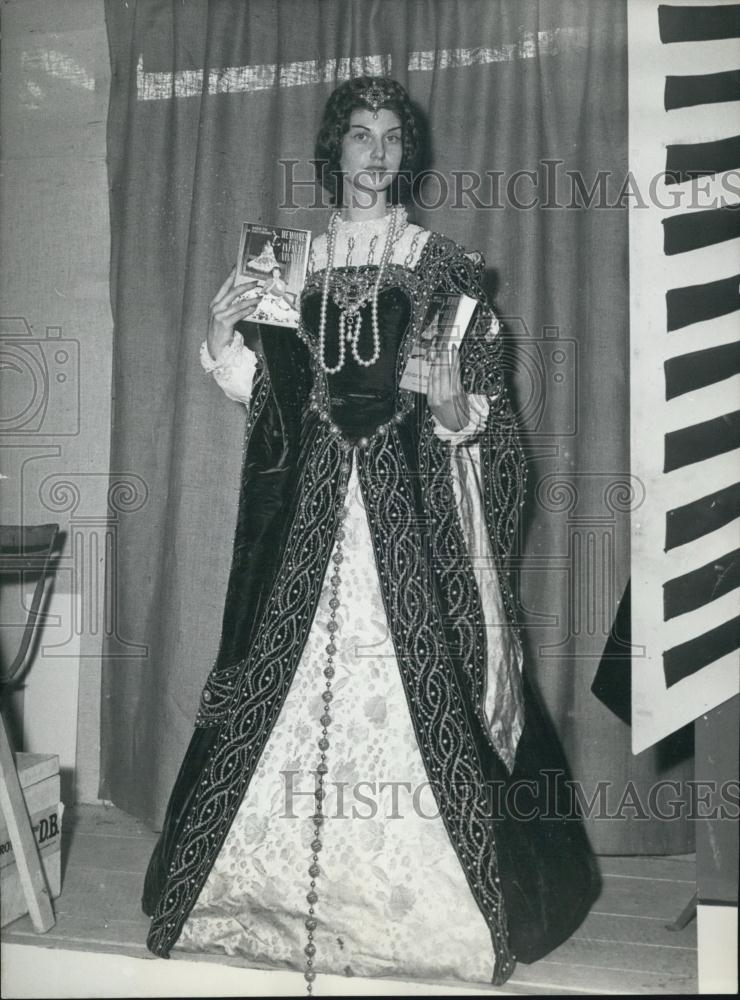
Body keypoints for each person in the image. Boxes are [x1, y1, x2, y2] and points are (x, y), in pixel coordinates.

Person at [142, 76, 599, 992]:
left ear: (407, 154)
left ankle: (426, 902)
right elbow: (264, 397)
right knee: (277, 670)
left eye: (392, 136)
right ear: (336, 150)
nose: (376, 152)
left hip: (411, 526)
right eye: (360, 136)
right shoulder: (289, 263)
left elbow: (481, 420)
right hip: (310, 523)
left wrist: (452, 405)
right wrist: (223, 330)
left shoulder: (444, 266)